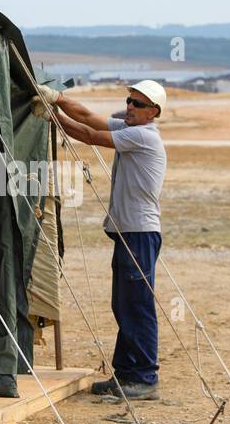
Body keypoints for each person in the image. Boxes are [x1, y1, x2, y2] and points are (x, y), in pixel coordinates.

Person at [36, 79, 167, 400]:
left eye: (138, 104)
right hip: (129, 233)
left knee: (137, 306)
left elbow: (89, 135)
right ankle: (126, 374)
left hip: (139, 233)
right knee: (123, 304)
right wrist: (59, 99)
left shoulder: (142, 135)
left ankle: (144, 377)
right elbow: (88, 117)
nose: (130, 107)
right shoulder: (129, 125)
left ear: (153, 112)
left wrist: (53, 115)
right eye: (129, 101)